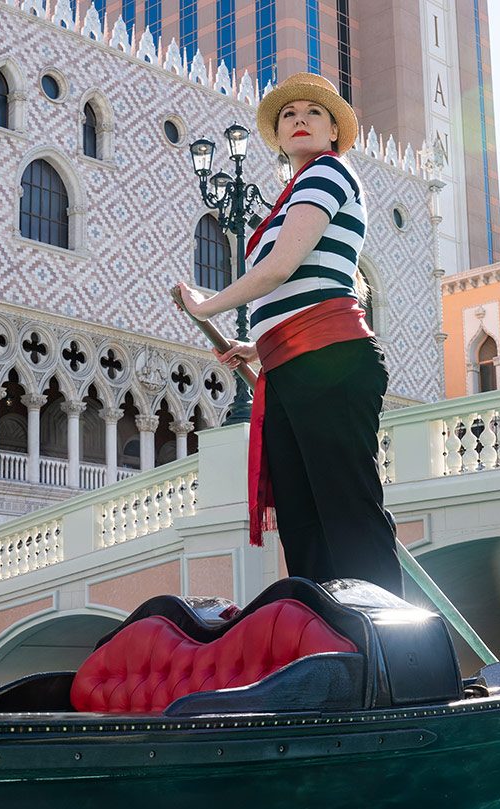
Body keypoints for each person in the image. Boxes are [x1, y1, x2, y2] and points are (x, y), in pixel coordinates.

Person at [177, 72, 401, 596]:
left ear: (332, 133)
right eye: (288, 115)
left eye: (313, 113)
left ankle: (388, 650)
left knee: (346, 515)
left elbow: (279, 268)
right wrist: (258, 345)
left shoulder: (327, 174)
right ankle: (328, 640)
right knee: (306, 526)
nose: (299, 119)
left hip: (331, 364)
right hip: (293, 366)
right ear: (278, 135)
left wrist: (207, 304)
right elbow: (301, 287)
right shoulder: (296, 190)